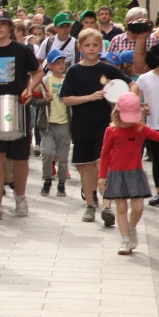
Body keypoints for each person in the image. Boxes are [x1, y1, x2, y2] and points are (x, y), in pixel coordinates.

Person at [61, 28, 135, 224]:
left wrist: (131, 99)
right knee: (85, 166)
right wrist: (90, 97)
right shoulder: (74, 71)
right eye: (87, 45)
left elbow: (131, 84)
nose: (92, 49)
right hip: (81, 124)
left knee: (102, 162)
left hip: (104, 123)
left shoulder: (107, 69)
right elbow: (66, 99)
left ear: (101, 46)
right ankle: (90, 204)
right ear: (80, 48)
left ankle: (107, 206)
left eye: (95, 45)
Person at [0, 9, 43, 220]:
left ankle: (20, 197)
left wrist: (29, 88)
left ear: (10, 28)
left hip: (19, 106)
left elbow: (38, 71)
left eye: (3, 24)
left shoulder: (22, 50)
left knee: (20, 158)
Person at [99, 93, 159, 254]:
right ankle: (125, 240)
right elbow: (105, 152)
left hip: (135, 173)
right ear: (118, 113)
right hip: (116, 173)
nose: (129, 122)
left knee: (138, 207)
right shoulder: (111, 130)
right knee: (121, 208)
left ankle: (131, 227)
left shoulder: (140, 129)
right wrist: (102, 176)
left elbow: (158, 136)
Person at [35, 50, 71, 196]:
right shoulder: (44, 81)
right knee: (47, 153)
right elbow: (33, 100)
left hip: (64, 123)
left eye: (62, 63)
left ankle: (61, 184)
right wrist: (44, 100)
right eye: (57, 63)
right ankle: (47, 180)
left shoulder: (68, 80)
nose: (60, 65)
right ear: (49, 66)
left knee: (63, 156)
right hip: (47, 124)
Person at [135, 57, 159, 206]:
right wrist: (141, 107)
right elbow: (134, 97)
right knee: (157, 160)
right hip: (153, 125)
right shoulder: (145, 78)